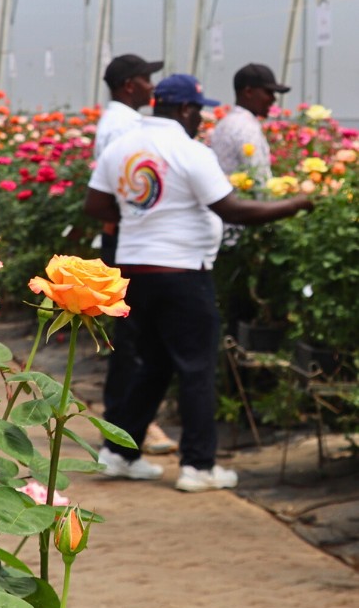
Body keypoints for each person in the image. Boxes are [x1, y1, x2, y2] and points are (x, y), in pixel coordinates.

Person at [83, 73, 313, 493]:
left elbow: (95, 204)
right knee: (196, 368)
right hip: (182, 275)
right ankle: (198, 466)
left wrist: (143, 220)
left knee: (152, 365)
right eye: (199, 112)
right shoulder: (189, 151)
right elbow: (234, 210)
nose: (202, 121)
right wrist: (295, 204)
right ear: (185, 109)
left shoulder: (122, 147)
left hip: (135, 272)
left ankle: (119, 453)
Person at [93, 53, 175, 456]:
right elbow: (110, 193)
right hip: (127, 241)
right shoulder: (123, 126)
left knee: (133, 339)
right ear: (129, 84)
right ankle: (124, 430)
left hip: (125, 239)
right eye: (146, 79)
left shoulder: (120, 122)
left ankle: (130, 426)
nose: (151, 87)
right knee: (131, 341)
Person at [210, 63, 289, 184]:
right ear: (248, 92)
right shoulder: (247, 127)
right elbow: (258, 180)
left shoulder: (225, 123)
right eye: (268, 92)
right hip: (242, 200)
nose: (273, 99)